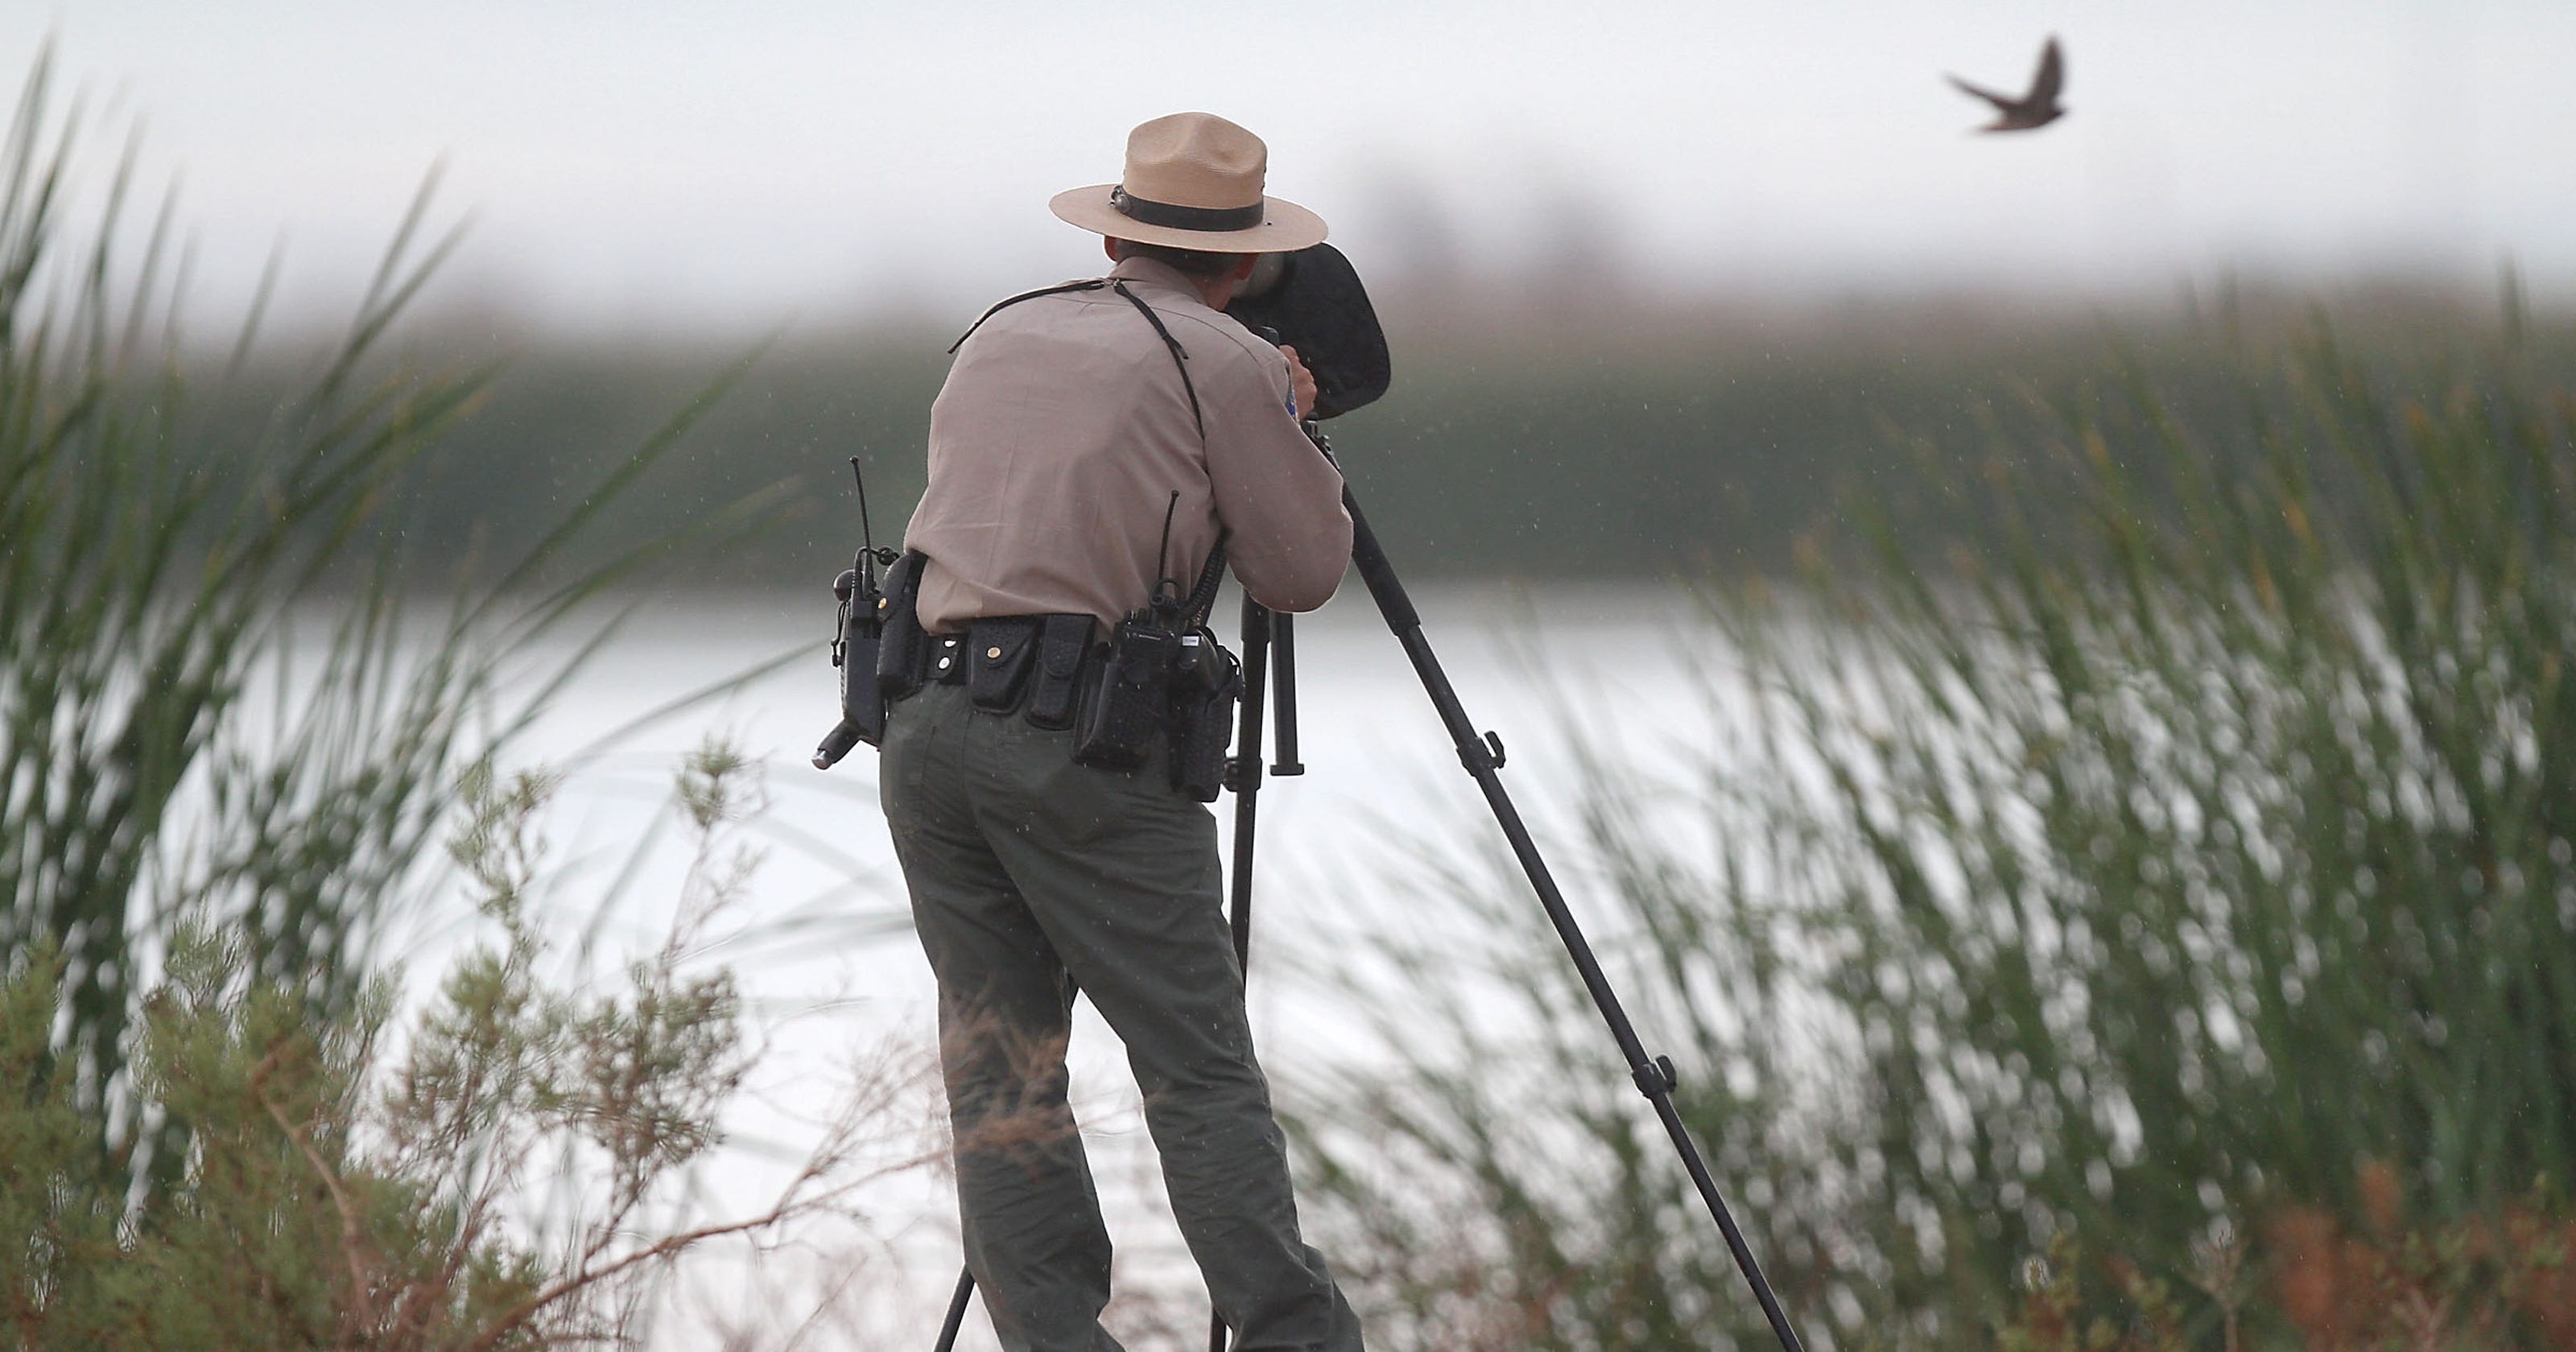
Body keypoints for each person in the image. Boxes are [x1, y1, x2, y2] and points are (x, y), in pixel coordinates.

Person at [879, 112, 1364, 1352]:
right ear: (1248, 264)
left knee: (1001, 1070)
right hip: (1079, 747)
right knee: (1197, 1066)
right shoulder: (1226, 359)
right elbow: (1300, 570)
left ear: (1113, 231)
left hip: (923, 728)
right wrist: (1291, 421)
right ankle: (1296, 1340)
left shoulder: (998, 331)